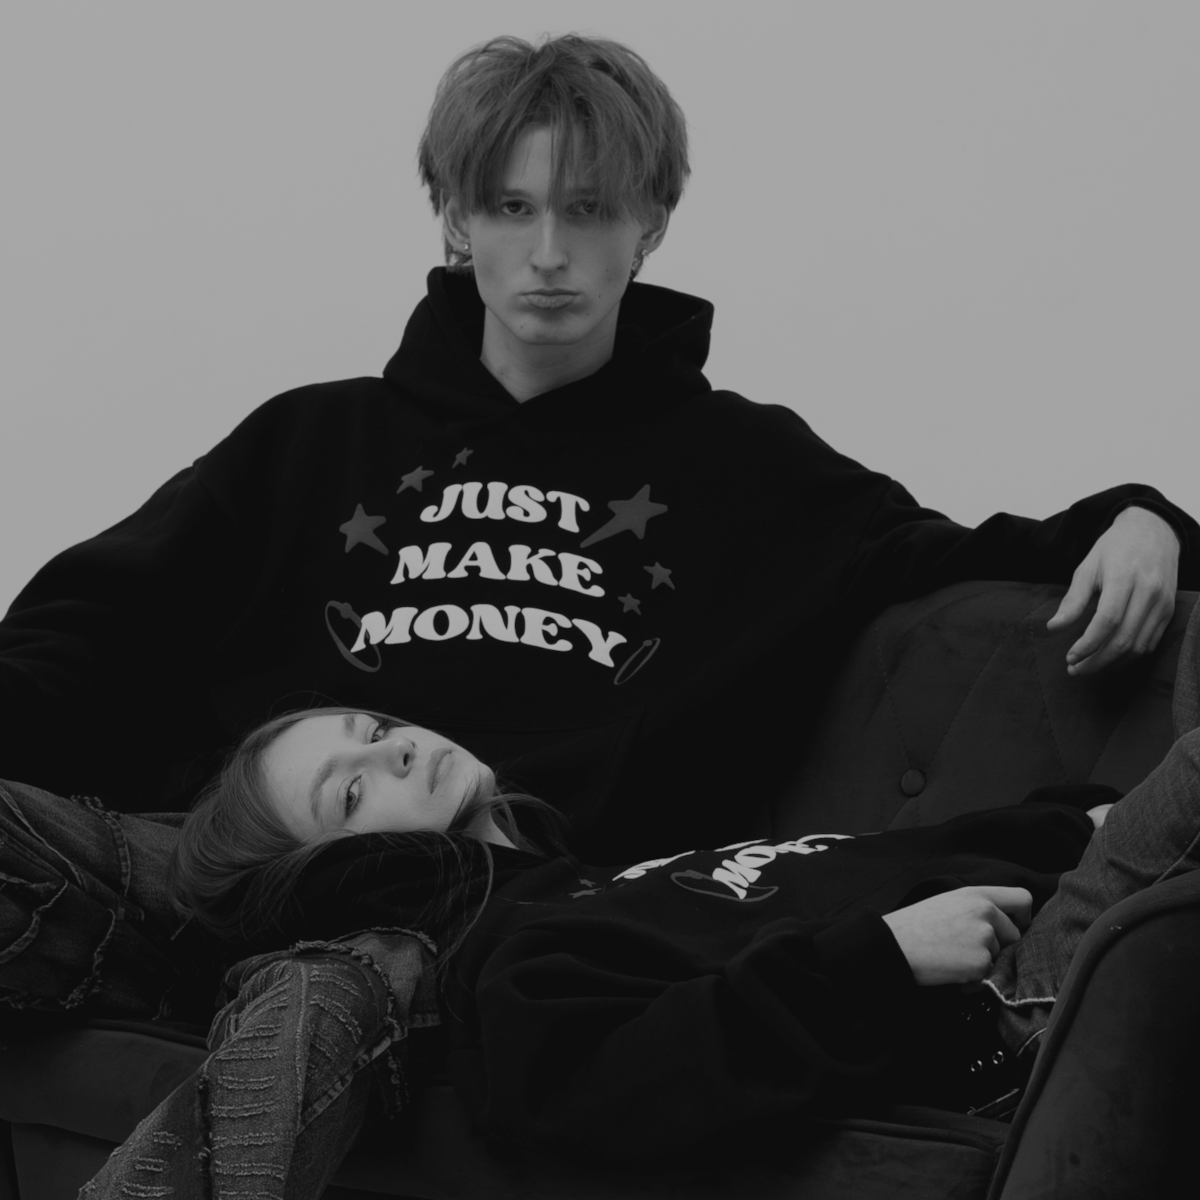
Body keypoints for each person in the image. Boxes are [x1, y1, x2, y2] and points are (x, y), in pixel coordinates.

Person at [1, 34, 1195, 1034]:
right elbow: (87, 624)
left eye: (588, 210)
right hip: (261, 885)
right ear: (455, 219)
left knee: (344, 994)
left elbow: (953, 553)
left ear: (651, 222)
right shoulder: (313, 439)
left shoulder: (745, 468)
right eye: (511, 208)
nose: (549, 256)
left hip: (513, 933)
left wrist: (1143, 517)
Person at [83, 587, 1200, 1196]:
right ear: (333, 874)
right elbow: (607, 1082)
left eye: (372, 726)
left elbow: (868, 864)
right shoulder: (511, 952)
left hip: (1059, 908)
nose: (395, 748)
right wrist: (883, 958)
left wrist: (1071, 821)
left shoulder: (616, 879)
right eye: (352, 789)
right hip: (1011, 1019)